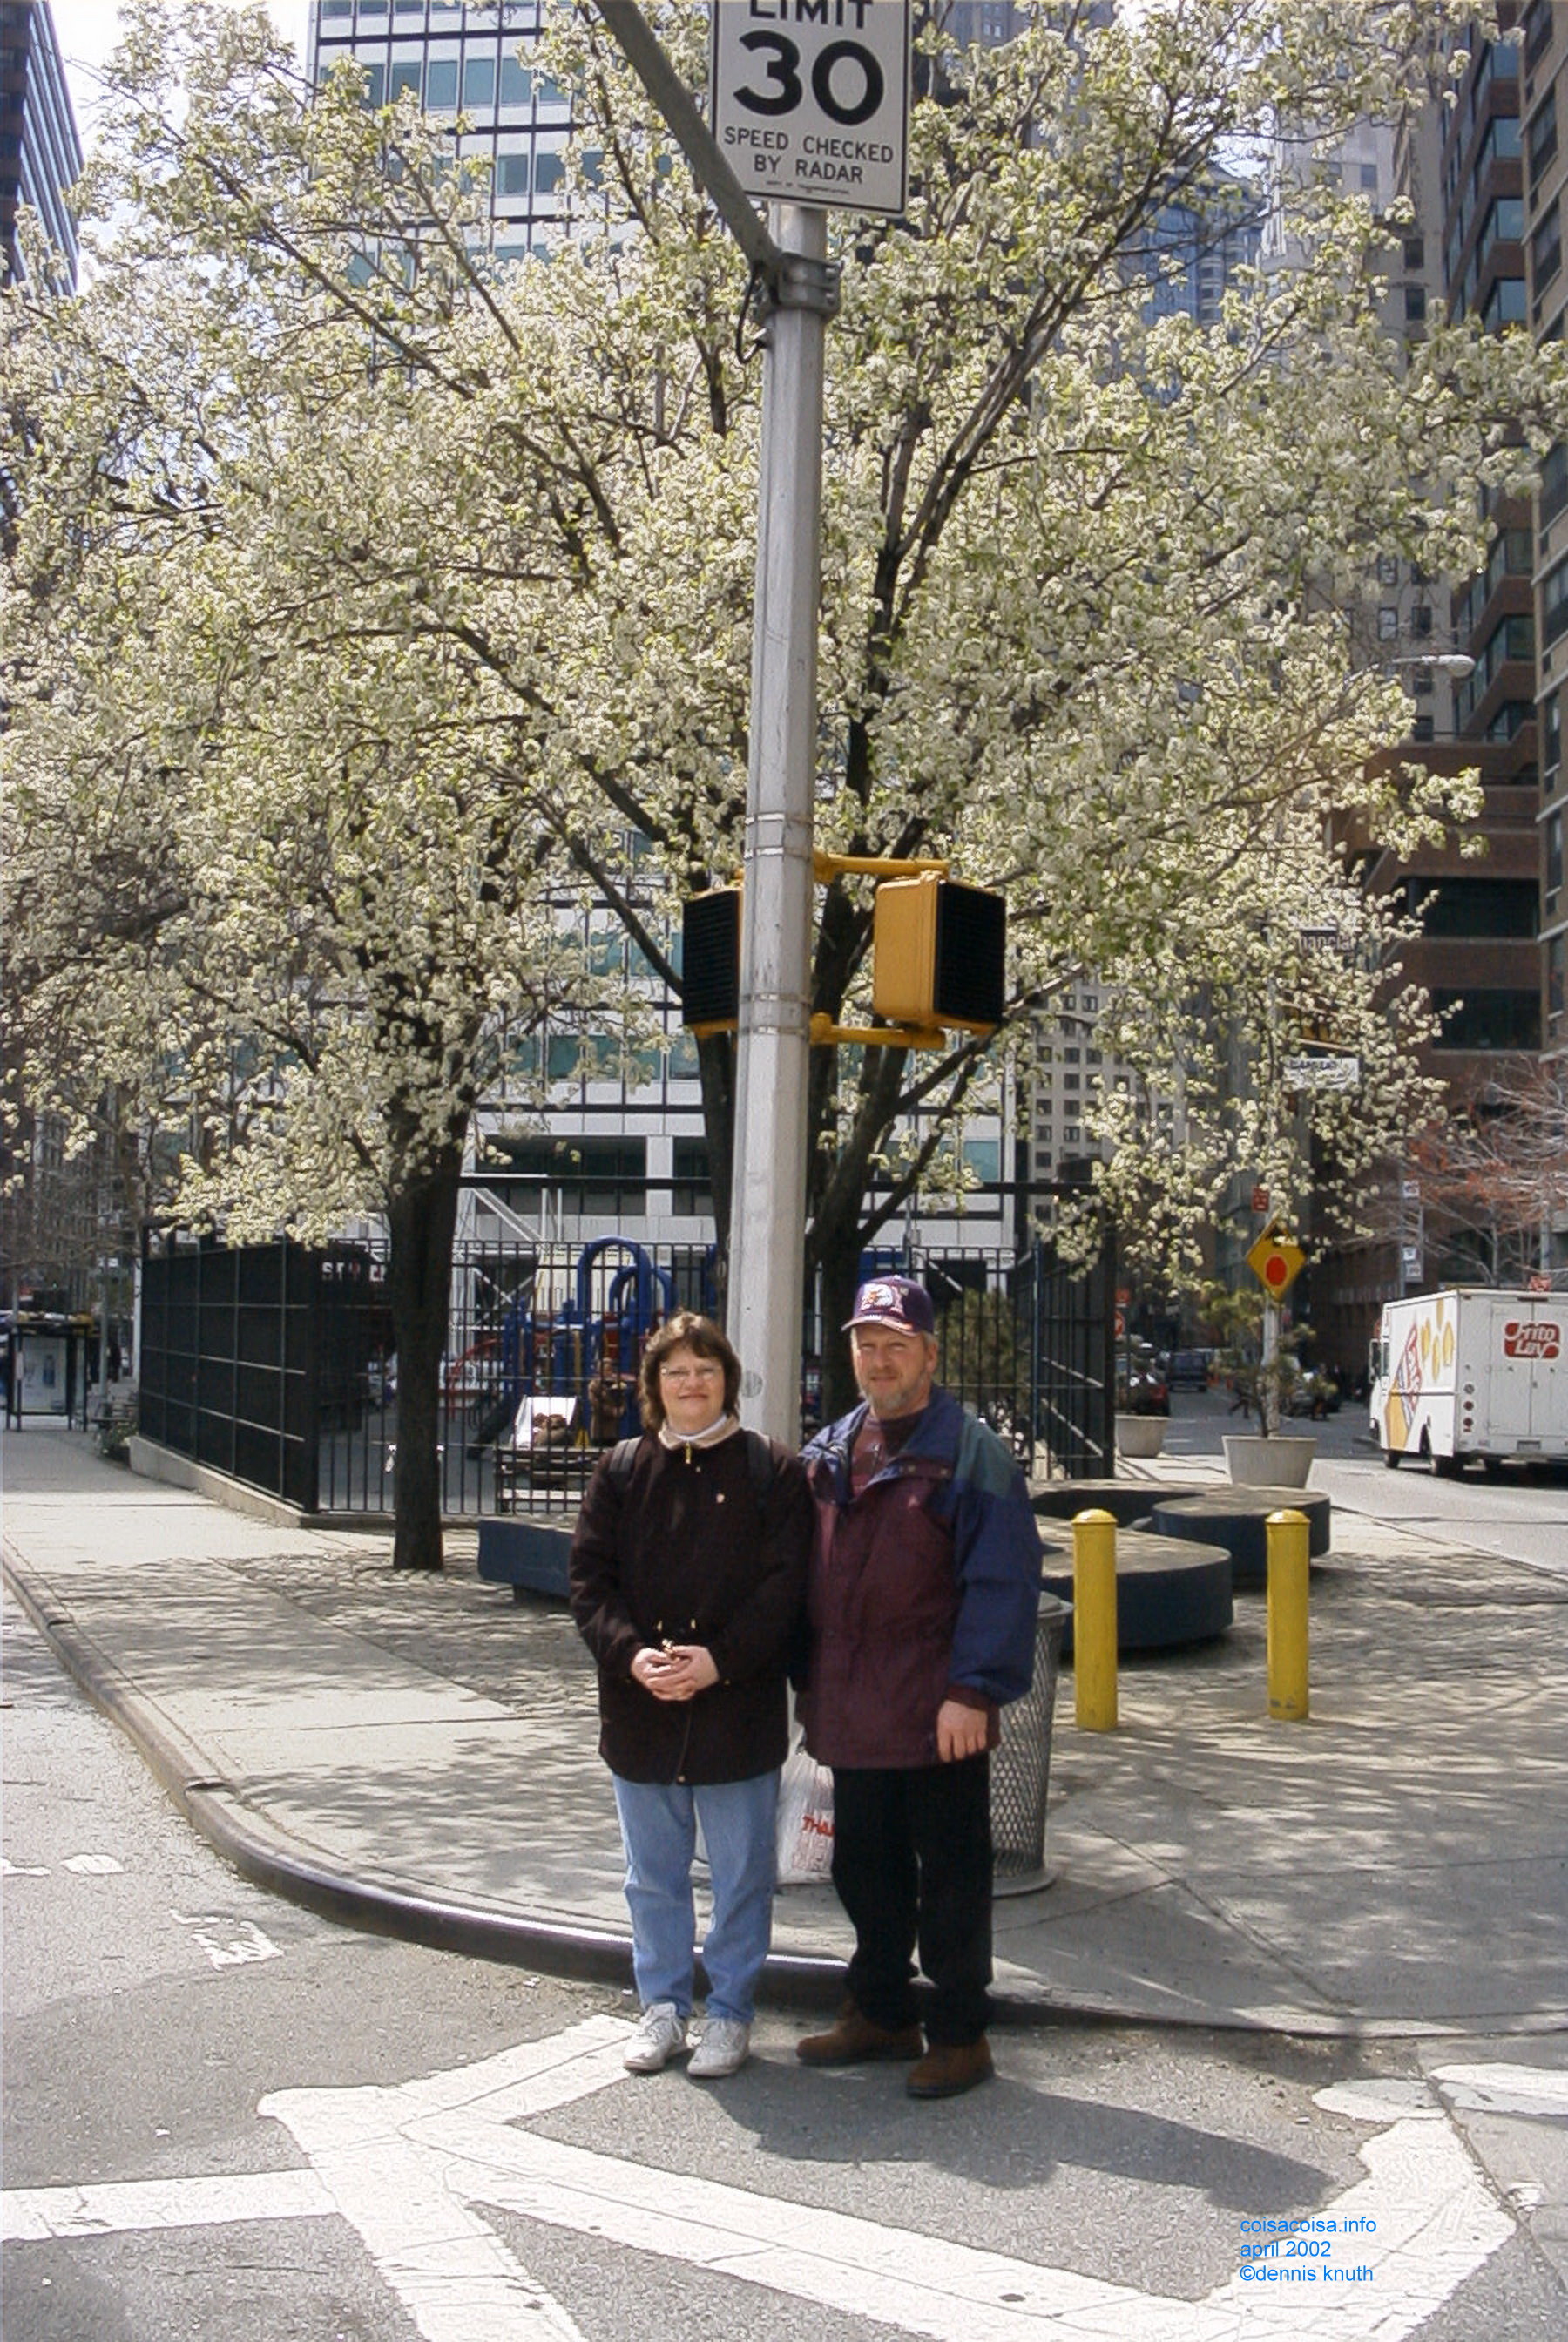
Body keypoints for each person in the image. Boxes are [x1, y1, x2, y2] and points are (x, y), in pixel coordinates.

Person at [794, 1276, 1043, 2099]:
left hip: (941, 1716)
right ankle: (882, 2012)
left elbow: (1002, 1579)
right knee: (864, 1871)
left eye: (896, 1345)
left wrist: (973, 1691)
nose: (878, 1359)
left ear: (930, 1355)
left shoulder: (972, 1452)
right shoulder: (829, 1451)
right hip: (856, 1711)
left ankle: (962, 2033)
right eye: (866, 1344)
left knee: (952, 1880)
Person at [569, 1310, 812, 2081]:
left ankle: (731, 2013)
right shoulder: (620, 1471)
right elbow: (589, 1585)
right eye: (676, 1372)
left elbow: (785, 1592)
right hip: (642, 1715)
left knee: (742, 1876)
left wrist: (720, 1662)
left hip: (735, 1710)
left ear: (727, 1381)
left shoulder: (772, 1471)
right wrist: (633, 1656)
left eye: (705, 1370)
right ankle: (664, 2007)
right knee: (652, 1877)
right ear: (655, 1387)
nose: (691, 1384)